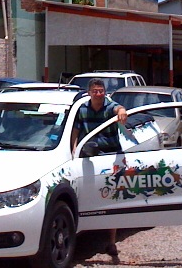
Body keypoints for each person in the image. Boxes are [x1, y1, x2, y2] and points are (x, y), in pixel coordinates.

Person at [70, 78, 128, 261]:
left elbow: (118, 109)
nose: (98, 94)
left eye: (101, 91)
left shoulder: (110, 107)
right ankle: (87, 235)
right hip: (90, 158)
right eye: (95, 91)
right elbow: (76, 131)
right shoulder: (82, 109)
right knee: (89, 196)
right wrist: (74, 151)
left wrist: (122, 112)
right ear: (89, 93)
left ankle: (112, 242)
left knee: (112, 198)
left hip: (111, 157)